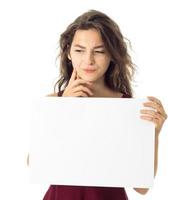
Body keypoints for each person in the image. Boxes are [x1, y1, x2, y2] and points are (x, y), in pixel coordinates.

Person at [27, 9, 167, 200]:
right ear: (68, 52)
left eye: (99, 51)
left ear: (112, 54)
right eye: (79, 50)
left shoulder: (127, 108)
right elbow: (35, 164)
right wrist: (63, 109)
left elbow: (141, 187)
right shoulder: (53, 102)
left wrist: (153, 134)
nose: (88, 60)